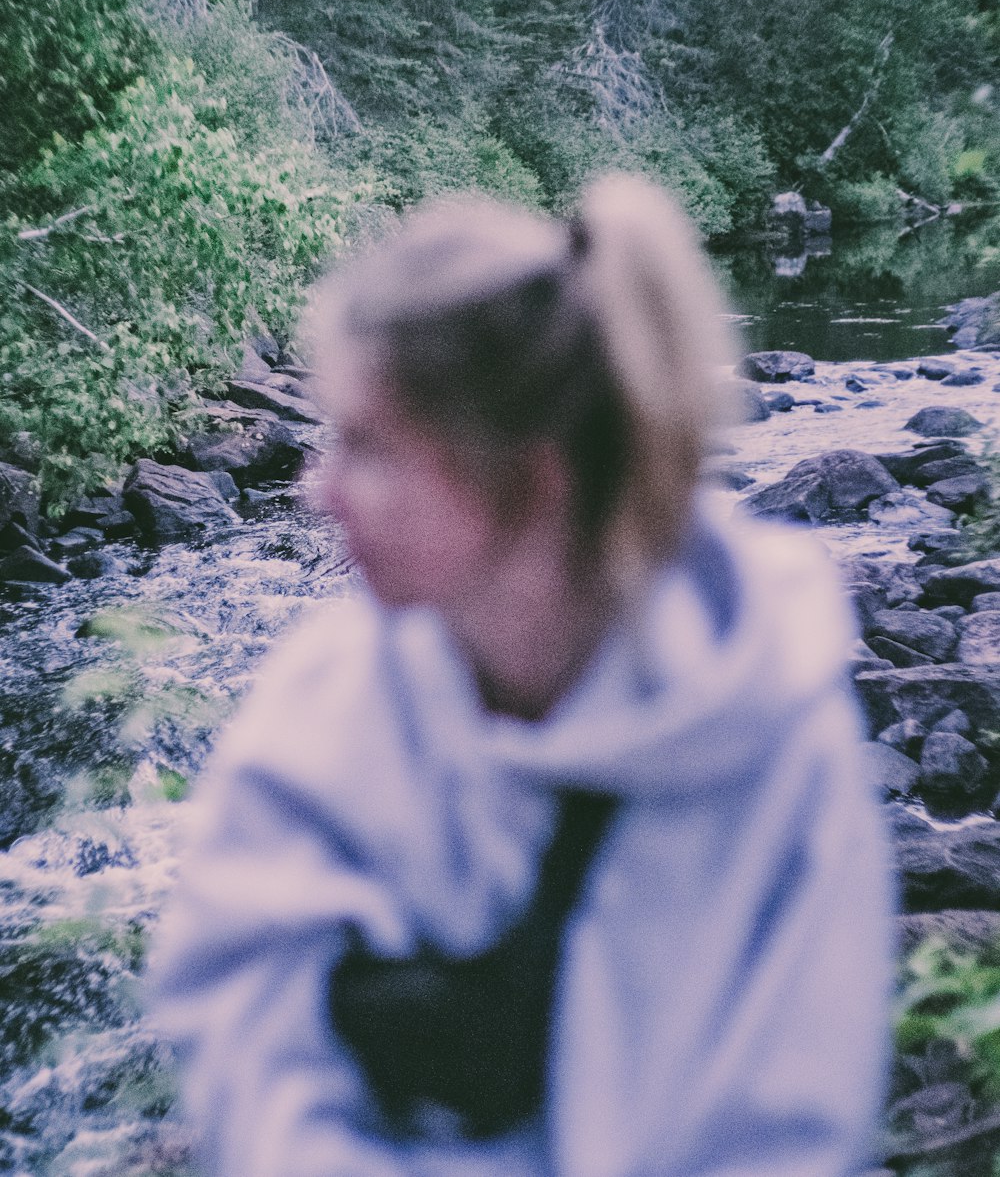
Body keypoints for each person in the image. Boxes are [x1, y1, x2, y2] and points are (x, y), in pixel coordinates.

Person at [150, 174, 893, 1177]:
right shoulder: (329, 693)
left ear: (531, 475)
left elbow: (790, 1124)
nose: (315, 488)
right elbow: (236, 1010)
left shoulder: (775, 741)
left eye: (368, 445)